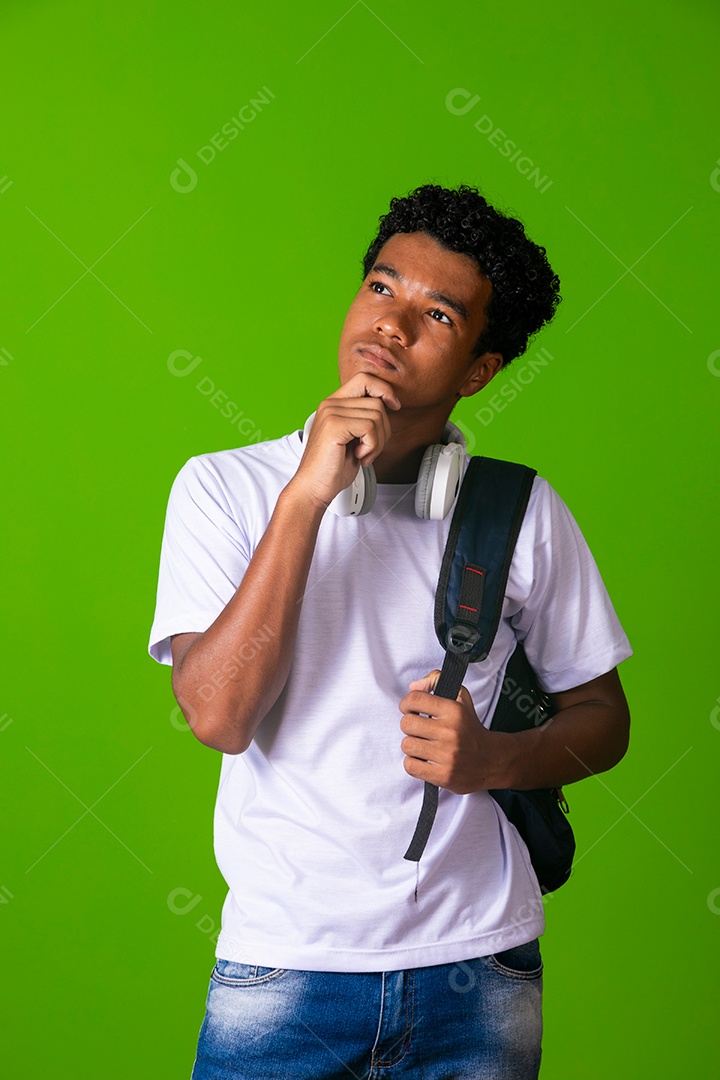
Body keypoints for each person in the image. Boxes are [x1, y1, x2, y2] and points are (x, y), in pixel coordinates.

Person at [148, 183, 632, 1079]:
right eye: (381, 286)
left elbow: (605, 719)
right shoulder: (224, 489)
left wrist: (495, 761)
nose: (391, 325)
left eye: (437, 314)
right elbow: (217, 715)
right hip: (285, 967)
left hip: (478, 969)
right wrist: (306, 497)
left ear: (479, 370)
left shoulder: (519, 509)